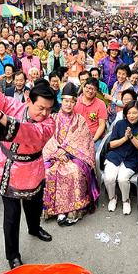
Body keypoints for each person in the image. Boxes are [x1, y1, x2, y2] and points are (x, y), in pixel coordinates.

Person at [0, 73, 57, 268]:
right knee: (12, 216)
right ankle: (12, 255)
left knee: (34, 206)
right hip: (7, 169)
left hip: (32, 170)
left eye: (49, 109)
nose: (44, 113)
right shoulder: (14, 106)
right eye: (40, 107)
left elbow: (29, 133)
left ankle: (34, 228)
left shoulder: (49, 124)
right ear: (28, 100)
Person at [41, 83, 99, 226]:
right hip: (54, 155)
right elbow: (47, 139)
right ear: (61, 100)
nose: (68, 104)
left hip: (74, 156)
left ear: (75, 103)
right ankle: (54, 209)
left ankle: (71, 210)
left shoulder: (80, 120)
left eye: (71, 101)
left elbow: (84, 141)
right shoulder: (52, 118)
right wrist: (57, 152)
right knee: (48, 171)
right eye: (65, 101)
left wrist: (66, 151)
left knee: (74, 171)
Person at [103, 100, 138, 215]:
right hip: (115, 156)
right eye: (129, 113)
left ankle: (126, 200)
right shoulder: (119, 124)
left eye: (134, 113)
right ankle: (112, 198)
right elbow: (111, 144)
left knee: (122, 179)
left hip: (132, 159)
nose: (131, 116)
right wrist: (125, 138)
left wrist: (131, 137)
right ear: (125, 113)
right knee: (109, 178)